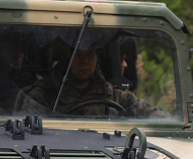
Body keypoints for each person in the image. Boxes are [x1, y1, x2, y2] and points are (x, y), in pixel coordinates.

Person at [15, 40, 168, 118]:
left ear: (97, 58)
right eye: (78, 55)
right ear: (68, 58)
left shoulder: (112, 96)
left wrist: (162, 121)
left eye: (90, 54)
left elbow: (150, 114)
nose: (85, 61)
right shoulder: (43, 96)